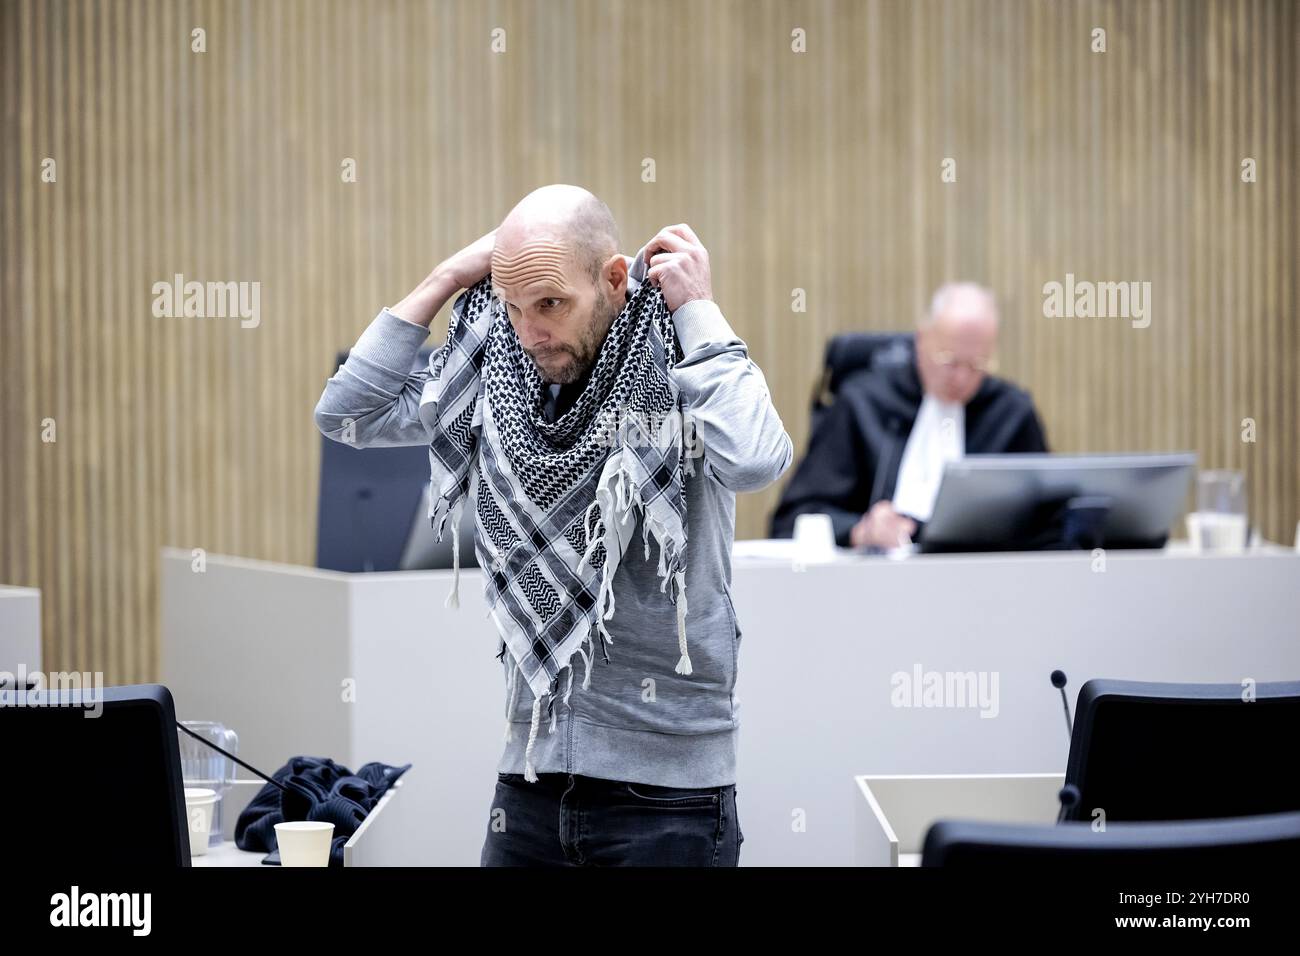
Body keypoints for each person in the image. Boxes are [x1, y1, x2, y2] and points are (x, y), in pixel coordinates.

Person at [314, 184, 792, 865]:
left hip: (669, 796)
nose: (530, 330)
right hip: (530, 782)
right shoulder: (496, 377)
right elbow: (347, 415)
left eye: (551, 304)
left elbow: (756, 460)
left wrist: (701, 313)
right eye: (512, 306)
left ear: (614, 279)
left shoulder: (685, 371)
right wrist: (447, 278)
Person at [770, 282, 1048, 549]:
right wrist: (858, 531)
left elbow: (1048, 520)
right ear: (921, 341)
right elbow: (792, 520)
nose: (961, 378)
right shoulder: (862, 403)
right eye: (948, 360)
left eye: (976, 365)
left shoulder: (1012, 413)